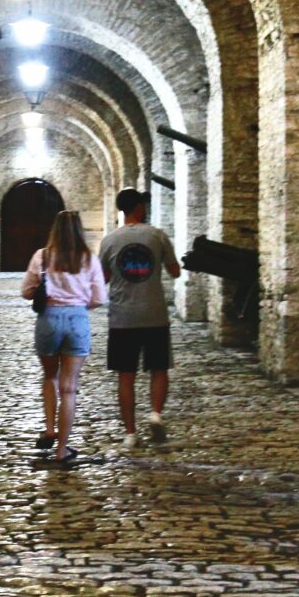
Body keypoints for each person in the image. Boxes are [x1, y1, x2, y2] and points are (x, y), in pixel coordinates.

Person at [20, 210, 106, 464]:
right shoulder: (89, 259)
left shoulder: (42, 256)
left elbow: (26, 292)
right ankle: (62, 449)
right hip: (78, 319)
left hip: (48, 319)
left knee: (50, 376)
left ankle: (49, 427)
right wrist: (78, 305)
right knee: (69, 388)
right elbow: (100, 298)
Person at [98, 187, 182, 449]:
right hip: (154, 313)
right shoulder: (157, 235)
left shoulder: (109, 241)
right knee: (159, 369)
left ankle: (131, 433)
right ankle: (155, 413)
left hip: (123, 317)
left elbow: (103, 278)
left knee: (126, 375)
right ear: (139, 207)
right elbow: (175, 271)